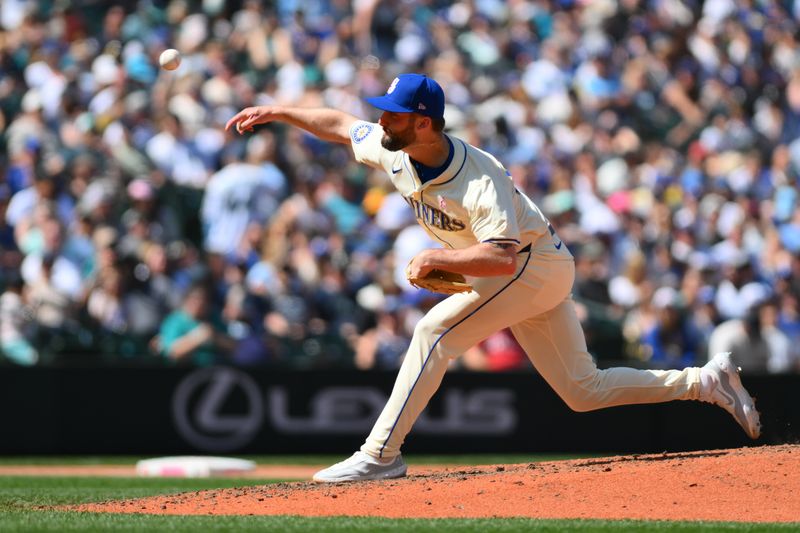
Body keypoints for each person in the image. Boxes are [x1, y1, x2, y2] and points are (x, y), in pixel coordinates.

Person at [226, 73, 761, 483]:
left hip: (531, 265)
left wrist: (435, 259)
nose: (382, 121)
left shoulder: (478, 178)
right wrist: (277, 111)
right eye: (384, 114)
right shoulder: (396, 150)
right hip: (528, 267)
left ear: (424, 123)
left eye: (393, 115)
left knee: (432, 334)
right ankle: (704, 382)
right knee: (583, 390)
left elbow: (502, 257)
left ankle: (379, 456)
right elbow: (342, 126)